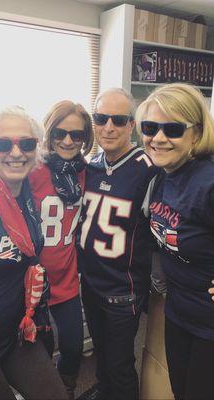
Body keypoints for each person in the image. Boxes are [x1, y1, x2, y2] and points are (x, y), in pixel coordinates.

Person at [77, 88, 158, 400]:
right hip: (91, 284)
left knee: (121, 364)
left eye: (118, 119)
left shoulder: (149, 169)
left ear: (131, 125)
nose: (109, 126)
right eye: (101, 118)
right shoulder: (90, 165)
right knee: (102, 357)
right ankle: (104, 391)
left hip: (122, 291)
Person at [136, 82, 214, 400]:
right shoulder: (163, 175)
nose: (158, 138)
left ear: (195, 133)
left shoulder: (207, 182)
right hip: (179, 312)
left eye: (172, 129)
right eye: (150, 127)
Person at [0, 106, 68, 400]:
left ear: (36, 148)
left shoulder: (26, 191)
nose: (15, 152)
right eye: (3, 143)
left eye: (26, 143)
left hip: (17, 331)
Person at [29, 100, 94, 400]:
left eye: (76, 135)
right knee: (38, 349)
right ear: (49, 132)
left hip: (66, 279)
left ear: (85, 138)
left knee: (71, 345)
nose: (68, 140)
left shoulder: (86, 173)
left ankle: (65, 388)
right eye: (60, 133)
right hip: (31, 282)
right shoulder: (31, 169)